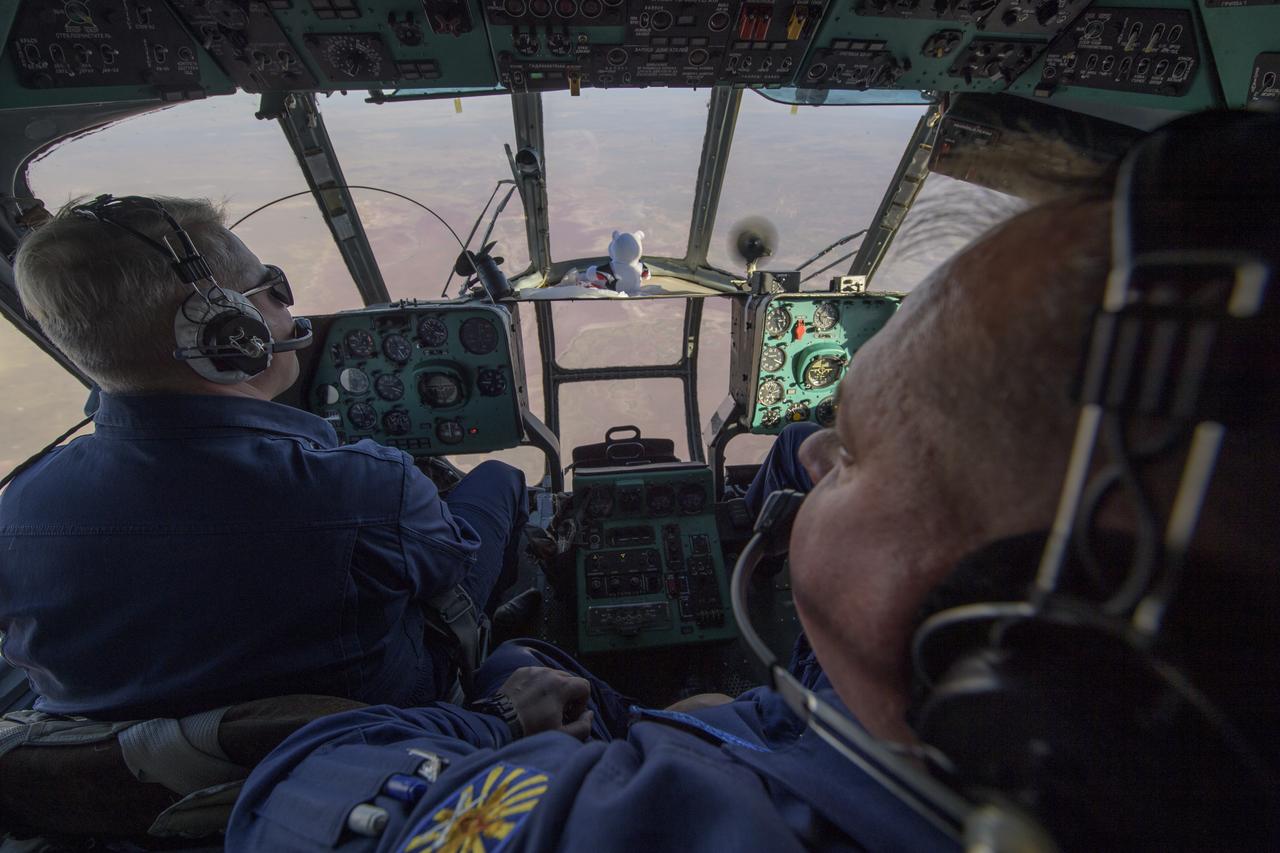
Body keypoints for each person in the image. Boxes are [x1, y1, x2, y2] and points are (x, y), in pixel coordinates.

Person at [226, 114, 1278, 852]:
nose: (813, 452)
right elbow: (796, 464)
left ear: (1025, 651)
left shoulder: (635, 826)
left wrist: (505, 723)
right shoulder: (1020, 707)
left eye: (855, 451)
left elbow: (302, 789)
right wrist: (742, 704)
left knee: (522, 650)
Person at [0, 196, 530, 720]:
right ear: (231, 334)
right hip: (367, 733)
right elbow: (448, 567)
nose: (287, 304)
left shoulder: (17, 509)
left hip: (137, 783)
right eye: (272, 287)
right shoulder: (363, 486)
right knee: (499, 480)